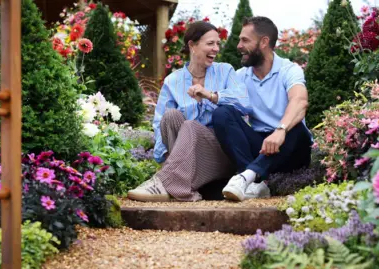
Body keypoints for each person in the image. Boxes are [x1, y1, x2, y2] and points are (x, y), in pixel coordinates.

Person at [127, 21, 251, 202]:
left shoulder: (225, 71)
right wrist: (169, 160)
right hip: (186, 155)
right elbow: (159, 124)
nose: (216, 48)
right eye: (210, 43)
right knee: (170, 117)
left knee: (191, 126)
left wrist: (211, 96)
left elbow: (244, 104)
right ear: (192, 46)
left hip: (219, 153)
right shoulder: (173, 80)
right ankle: (179, 181)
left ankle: (162, 183)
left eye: (218, 43)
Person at [212, 16, 313, 202]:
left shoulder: (289, 70)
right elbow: (226, 108)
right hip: (260, 146)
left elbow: (300, 102)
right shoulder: (240, 76)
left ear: (264, 42)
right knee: (222, 113)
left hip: (290, 148)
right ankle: (253, 182)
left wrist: (280, 130)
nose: (239, 45)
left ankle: (246, 177)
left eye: (245, 40)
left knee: (297, 129)